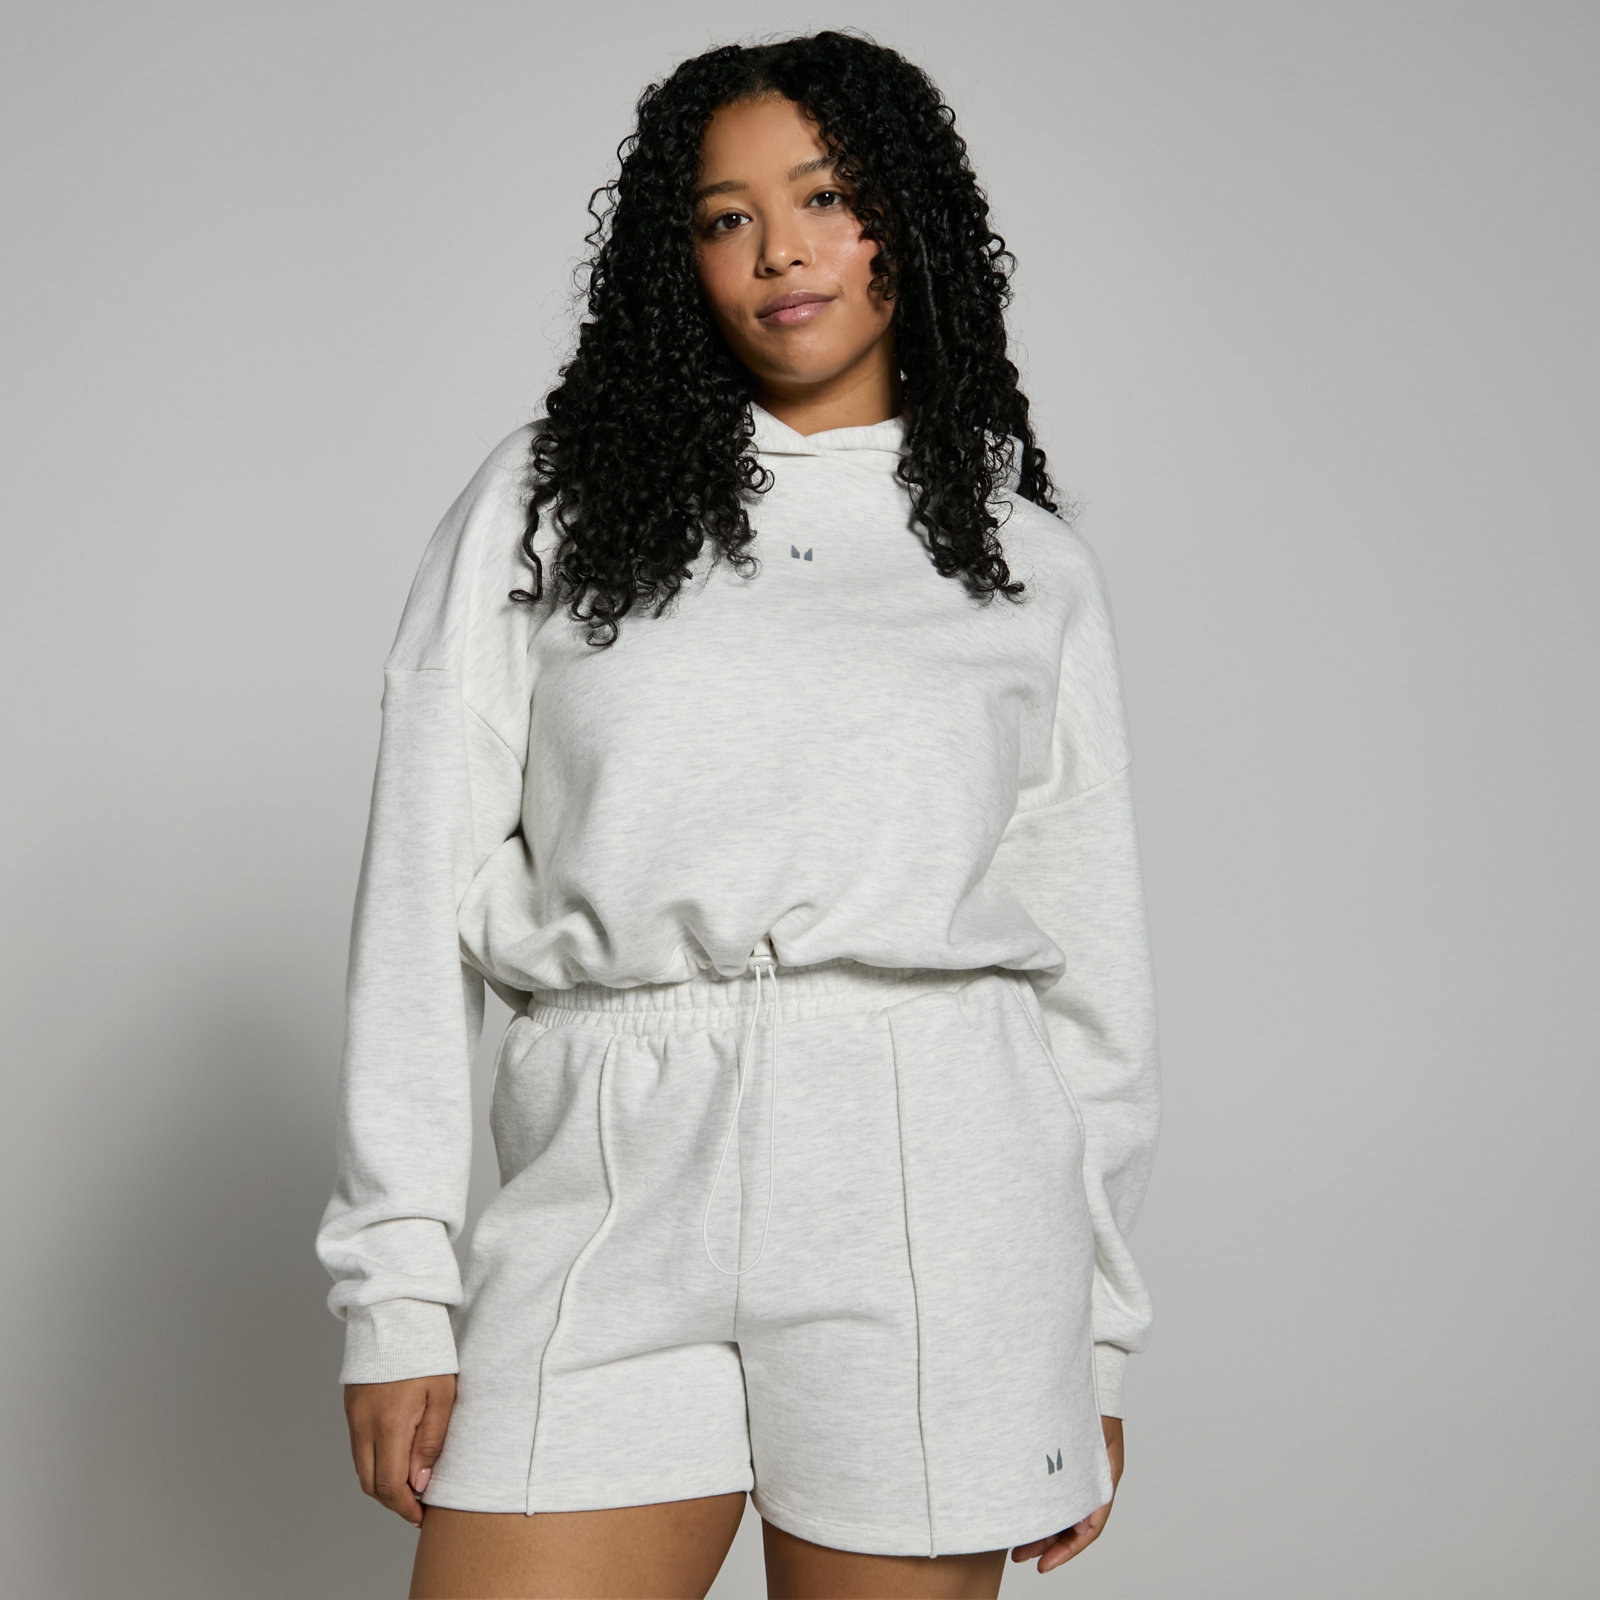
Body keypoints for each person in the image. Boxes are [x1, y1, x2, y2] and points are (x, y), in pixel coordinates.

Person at [315, 30, 1161, 1600]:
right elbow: (413, 910)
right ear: (676, 258)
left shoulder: (1023, 562)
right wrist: (397, 1295)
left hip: (936, 1192)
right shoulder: (548, 504)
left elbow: (1090, 980)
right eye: (725, 217)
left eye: (827, 197)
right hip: (606, 1180)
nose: (780, 251)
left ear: (908, 218)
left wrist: (1095, 1337)